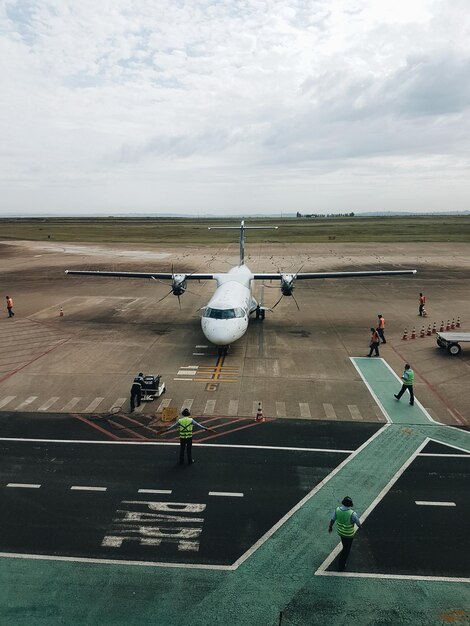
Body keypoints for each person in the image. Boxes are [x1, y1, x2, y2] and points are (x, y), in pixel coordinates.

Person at [329, 496, 362, 571]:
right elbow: (358, 523)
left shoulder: (337, 510)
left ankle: (342, 561)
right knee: (346, 550)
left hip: (340, 532)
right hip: (349, 534)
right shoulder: (352, 514)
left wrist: (330, 527)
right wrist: (360, 527)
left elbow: (332, 520)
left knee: (344, 544)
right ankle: (341, 565)